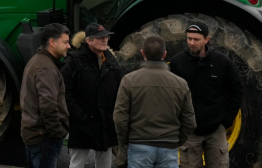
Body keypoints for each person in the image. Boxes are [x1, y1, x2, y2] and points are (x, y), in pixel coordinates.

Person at [113, 36, 196, 168]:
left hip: (139, 144)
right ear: (164, 54)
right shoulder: (180, 83)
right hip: (169, 147)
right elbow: (190, 121)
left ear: (142, 53)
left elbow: (119, 117)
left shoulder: (129, 80)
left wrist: (125, 141)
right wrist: (176, 141)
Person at [170, 21, 243, 168]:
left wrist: (226, 121)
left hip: (216, 130)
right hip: (189, 132)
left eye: (196, 39)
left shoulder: (222, 62)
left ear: (206, 39)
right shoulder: (178, 62)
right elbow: (170, 95)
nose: (191, 43)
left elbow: (237, 91)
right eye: (189, 38)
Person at [61, 23, 122, 168]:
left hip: (106, 123)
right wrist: (80, 116)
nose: (105, 40)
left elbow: (120, 90)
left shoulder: (111, 61)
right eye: (100, 38)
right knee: (76, 164)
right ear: (89, 40)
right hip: (82, 124)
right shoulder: (74, 61)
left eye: (106, 37)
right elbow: (65, 92)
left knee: (104, 164)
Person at [21, 23, 71, 168]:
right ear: (52, 42)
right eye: (65, 42)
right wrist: (58, 132)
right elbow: (48, 106)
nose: (69, 46)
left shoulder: (38, 60)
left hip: (34, 134)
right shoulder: (46, 69)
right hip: (44, 138)